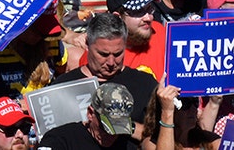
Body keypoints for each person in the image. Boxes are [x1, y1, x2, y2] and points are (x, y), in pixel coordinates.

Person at [53, 13, 158, 141]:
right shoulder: (63, 86)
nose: (111, 62)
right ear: (87, 43)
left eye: (118, 54)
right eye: (103, 54)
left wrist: (121, 125)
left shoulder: (144, 84)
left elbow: (160, 137)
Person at [37, 83, 137, 150]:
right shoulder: (60, 139)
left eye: (118, 129)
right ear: (90, 113)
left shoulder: (126, 145)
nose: (111, 135)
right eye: (106, 128)